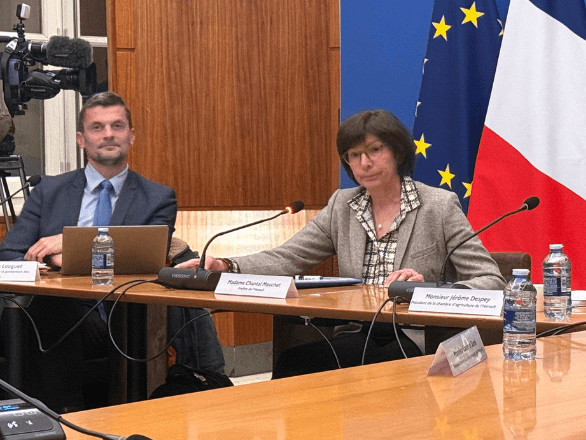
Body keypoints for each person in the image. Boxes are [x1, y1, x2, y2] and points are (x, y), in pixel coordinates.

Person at [178, 109, 505, 377]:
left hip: (420, 337)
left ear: (398, 151)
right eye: (354, 155)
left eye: (375, 150)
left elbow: (491, 281)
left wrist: (429, 290)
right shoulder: (343, 206)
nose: (365, 163)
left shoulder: (439, 205)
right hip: (356, 332)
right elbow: (289, 257)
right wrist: (225, 266)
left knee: (374, 369)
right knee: (295, 364)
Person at [0, 91, 223, 412]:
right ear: (81, 138)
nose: (108, 134)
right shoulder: (48, 192)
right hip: (57, 312)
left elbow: (147, 257)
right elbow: (8, 256)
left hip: (126, 316)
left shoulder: (156, 198)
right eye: (97, 127)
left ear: (131, 136)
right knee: (45, 310)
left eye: (117, 126)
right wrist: (47, 262)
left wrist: (74, 247)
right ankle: (58, 420)